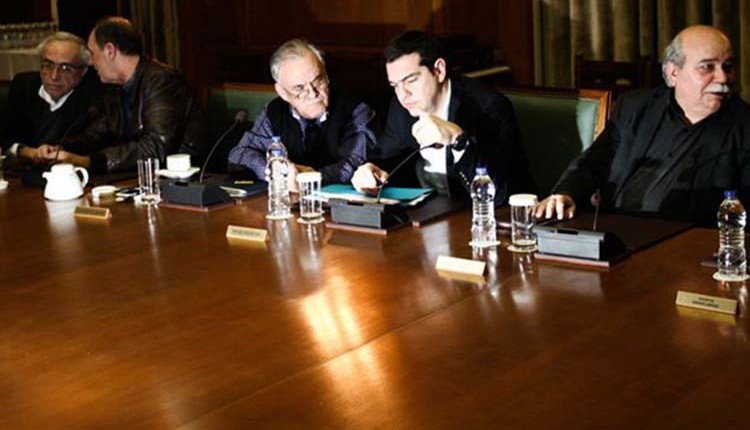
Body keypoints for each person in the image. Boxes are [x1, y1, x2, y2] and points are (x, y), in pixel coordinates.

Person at [536, 25, 750, 225]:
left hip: (691, 242)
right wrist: (566, 194)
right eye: (707, 67)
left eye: (728, 66)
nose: (723, 77)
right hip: (614, 231)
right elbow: (593, 163)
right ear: (673, 73)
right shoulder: (635, 107)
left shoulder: (744, 125)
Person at [351, 30, 533, 202]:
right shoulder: (401, 108)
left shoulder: (487, 107)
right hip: (426, 214)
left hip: (479, 215)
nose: (403, 94)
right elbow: (385, 158)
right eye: (395, 85)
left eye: (411, 80)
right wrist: (370, 171)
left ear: (439, 71)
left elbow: (500, 194)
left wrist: (458, 141)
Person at [42, 17, 208, 173]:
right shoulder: (116, 86)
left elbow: (155, 147)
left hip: (182, 178)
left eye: (92, 53)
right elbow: (100, 132)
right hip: (139, 175)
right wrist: (61, 148)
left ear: (110, 51)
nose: (90, 62)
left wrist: (90, 162)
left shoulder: (162, 81)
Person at [227, 38, 376, 189]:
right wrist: (273, 170)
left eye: (318, 81)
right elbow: (239, 154)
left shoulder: (355, 108)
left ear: (326, 76)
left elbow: (356, 162)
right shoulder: (274, 111)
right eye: (299, 88)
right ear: (282, 92)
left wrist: (309, 177)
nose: (312, 93)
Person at [0, 32, 104, 164]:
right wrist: (24, 151)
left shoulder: (95, 97)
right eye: (48, 65)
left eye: (65, 68)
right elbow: (4, 136)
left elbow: (94, 144)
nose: (54, 76)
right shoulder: (24, 85)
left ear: (83, 71)